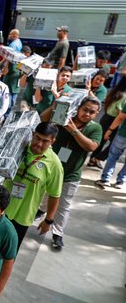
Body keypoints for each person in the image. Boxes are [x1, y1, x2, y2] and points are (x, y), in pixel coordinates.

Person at [0, 122, 64, 247]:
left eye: (45, 141)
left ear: (53, 141)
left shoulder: (55, 164)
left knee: (8, 252)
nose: (39, 144)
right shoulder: (17, 148)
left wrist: (48, 220)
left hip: (23, 216)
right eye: (37, 138)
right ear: (32, 134)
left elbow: (54, 195)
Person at [37, 97, 102, 250]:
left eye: (92, 112)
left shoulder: (95, 128)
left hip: (71, 174)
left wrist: (74, 130)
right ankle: (42, 210)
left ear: (96, 114)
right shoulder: (64, 117)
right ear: (79, 107)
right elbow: (41, 120)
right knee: (46, 194)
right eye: (85, 109)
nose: (87, 114)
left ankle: (57, 233)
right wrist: (55, 106)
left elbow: (91, 146)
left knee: (64, 204)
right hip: (51, 168)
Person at [89, 77, 126, 168]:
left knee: (101, 141)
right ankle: (98, 158)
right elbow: (120, 113)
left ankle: (93, 160)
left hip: (105, 117)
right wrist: (111, 129)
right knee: (114, 144)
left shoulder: (114, 92)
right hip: (113, 120)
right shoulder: (124, 96)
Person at [95, 96, 126, 190]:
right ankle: (121, 181)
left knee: (113, 156)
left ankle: (105, 180)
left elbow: (120, 117)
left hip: (123, 134)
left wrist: (110, 129)